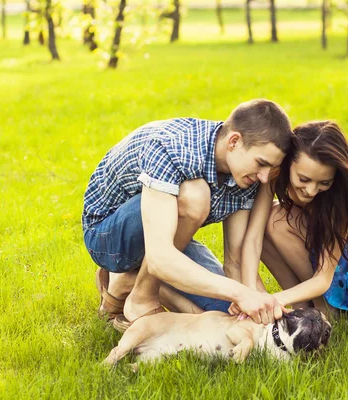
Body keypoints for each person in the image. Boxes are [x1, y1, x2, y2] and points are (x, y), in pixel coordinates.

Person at [82, 99, 292, 331]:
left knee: (226, 316)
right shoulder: (174, 148)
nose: (264, 177)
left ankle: (125, 282)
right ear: (234, 141)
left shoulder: (246, 174)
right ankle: (141, 297)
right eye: (261, 163)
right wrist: (239, 292)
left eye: (270, 168)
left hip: (163, 233)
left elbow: (235, 261)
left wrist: (262, 303)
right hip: (108, 236)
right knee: (195, 196)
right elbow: (160, 258)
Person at [188, 120, 348, 318]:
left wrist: (273, 300)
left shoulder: (339, 197)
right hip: (322, 252)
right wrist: (251, 292)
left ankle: (326, 310)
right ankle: (303, 306)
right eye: (303, 179)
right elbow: (253, 238)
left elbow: (323, 278)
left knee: (280, 222)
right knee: (269, 218)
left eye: (324, 182)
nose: (312, 190)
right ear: (287, 165)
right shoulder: (273, 175)